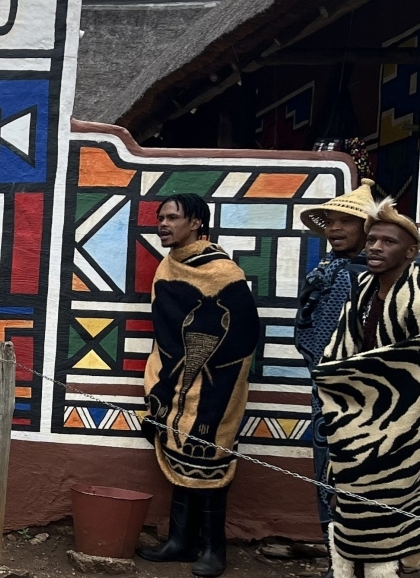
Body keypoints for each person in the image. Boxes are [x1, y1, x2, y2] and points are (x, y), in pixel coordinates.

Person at [316, 199, 420, 578]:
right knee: (347, 500)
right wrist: (336, 384)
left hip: (404, 427)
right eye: (372, 239)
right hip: (354, 422)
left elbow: (415, 367)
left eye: (387, 242)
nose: (375, 247)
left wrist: (350, 380)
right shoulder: (361, 289)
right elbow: (341, 348)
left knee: (390, 506)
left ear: (410, 252)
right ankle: (343, 570)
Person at [137, 193, 260, 577]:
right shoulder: (168, 266)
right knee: (177, 445)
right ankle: (179, 540)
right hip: (174, 375)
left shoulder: (223, 272)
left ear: (197, 224)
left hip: (216, 379)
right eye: (160, 217)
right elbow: (167, 328)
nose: (163, 224)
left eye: (173, 217)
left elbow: (244, 334)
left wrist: (210, 373)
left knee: (207, 451)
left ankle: (213, 548)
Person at [294, 180, 374, 542]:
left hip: (367, 395)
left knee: (364, 474)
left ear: (367, 228)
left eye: (346, 221)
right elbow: (309, 332)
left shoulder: (374, 277)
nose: (335, 229)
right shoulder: (329, 271)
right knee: (327, 468)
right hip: (326, 391)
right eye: (329, 221)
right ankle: (336, 554)